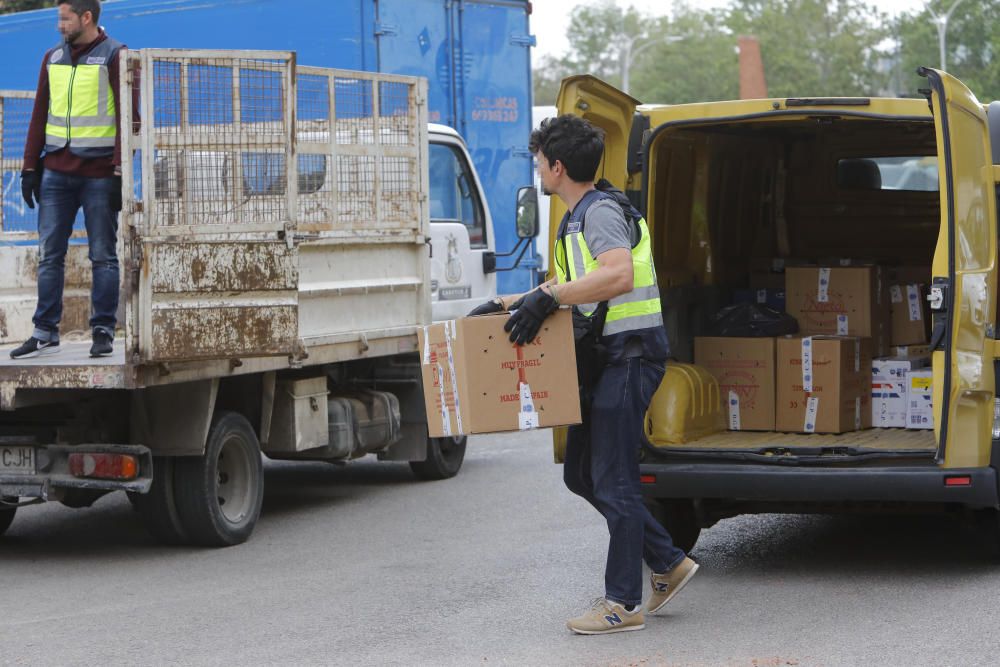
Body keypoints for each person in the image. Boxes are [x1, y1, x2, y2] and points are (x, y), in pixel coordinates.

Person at [470, 115, 698, 635]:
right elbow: (572, 281)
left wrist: (547, 295)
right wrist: (509, 301)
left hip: (630, 357)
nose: (539, 171)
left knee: (614, 481)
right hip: (604, 360)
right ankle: (668, 561)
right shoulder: (575, 217)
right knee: (580, 475)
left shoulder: (599, 213)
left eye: (540, 163)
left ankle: (623, 604)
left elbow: (616, 273)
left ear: (557, 166)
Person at [14, 0, 128, 360]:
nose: (60, 25)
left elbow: (130, 118)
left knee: (103, 256)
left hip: (98, 175)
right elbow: (38, 115)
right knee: (49, 255)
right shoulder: (53, 58)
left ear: (86, 17)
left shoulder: (116, 56)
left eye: (64, 18)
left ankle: (103, 331)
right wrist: (29, 168)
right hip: (56, 175)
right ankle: (45, 331)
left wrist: (119, 173)